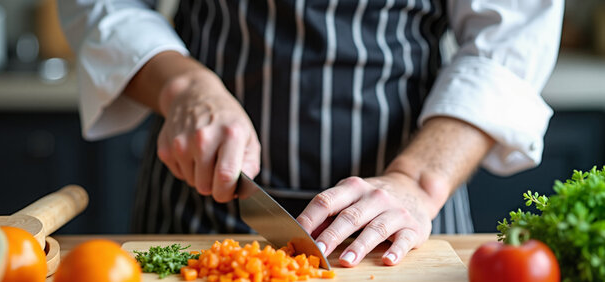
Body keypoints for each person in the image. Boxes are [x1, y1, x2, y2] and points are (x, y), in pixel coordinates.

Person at [58, 0, 563, 267]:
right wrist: (183, 85)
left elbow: (511, 36)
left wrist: (418, 181)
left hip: (404, 219)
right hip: (197, 202)